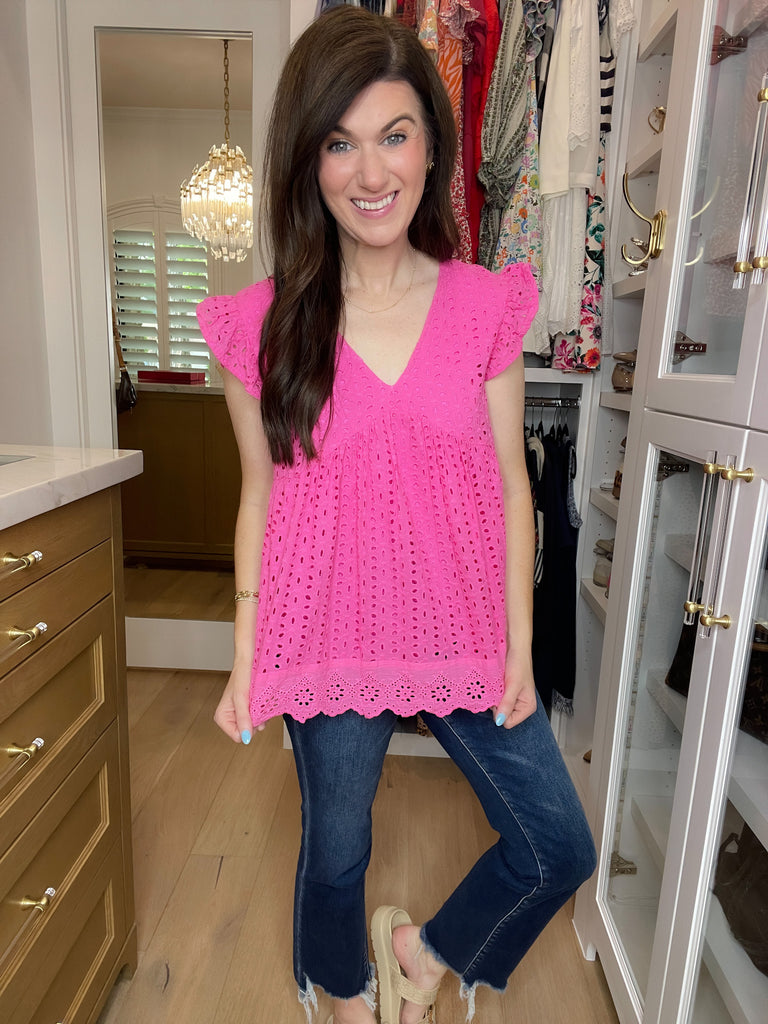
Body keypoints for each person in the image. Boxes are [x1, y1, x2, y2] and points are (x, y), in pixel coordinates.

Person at [197, 8, 596, 1024]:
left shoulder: (484, 304)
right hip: (327, 639)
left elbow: (513, 485)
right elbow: (259, 493)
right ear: (308, 160)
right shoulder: (262, 325)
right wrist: (246, 655)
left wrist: (519, 645)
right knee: (336, 856)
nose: (371, 173)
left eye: (395, 135)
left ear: (431, 147)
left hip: (465, 629)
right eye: (340, 143)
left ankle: (425, 953)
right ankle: (341, 992)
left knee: (558, 845)